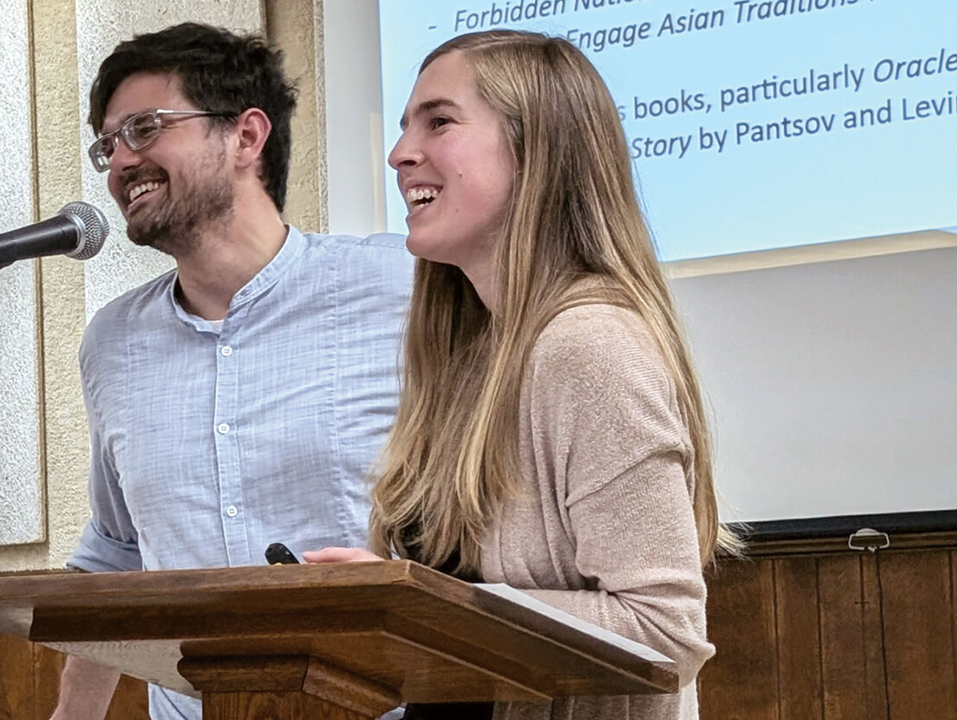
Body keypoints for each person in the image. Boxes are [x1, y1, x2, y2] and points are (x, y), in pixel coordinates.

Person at [305, 30, 736, 720]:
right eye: (403, 126)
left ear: (538, 150)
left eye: (439, 122)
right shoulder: (466, 353)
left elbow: (665, 634)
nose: (399, 154)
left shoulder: (589, 347)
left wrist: (420, 605)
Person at [50, 22, 415, 720]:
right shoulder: (112, 342)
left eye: (145, 128)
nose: (120, 162)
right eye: (108, 144)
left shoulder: (401, 288)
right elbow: (117, 552)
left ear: (247, 137)